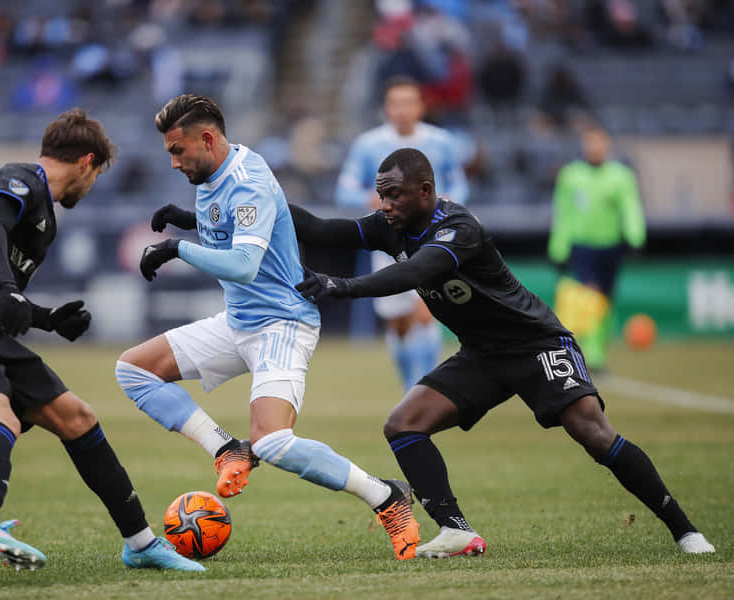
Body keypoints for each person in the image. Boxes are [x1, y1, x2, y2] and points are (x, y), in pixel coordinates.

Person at [290, 147, 715, 557]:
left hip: (535, 342)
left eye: (393, 194)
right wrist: (261, 195)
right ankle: (455, 530)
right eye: (381, 194)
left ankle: (685, 530)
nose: (384, 204)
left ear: (425, 190)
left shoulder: (458, 227)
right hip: (483, 355)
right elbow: (322, 229)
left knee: (593, 433)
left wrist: (340, 286)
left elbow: (416, 271)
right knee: (403, 424)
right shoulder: (391, 224)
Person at [116, 94, 420, 560]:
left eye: (178, 151)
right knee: (132, 370)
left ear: (207, 138)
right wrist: (191, 221)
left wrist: (177, 248)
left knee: (274, 443)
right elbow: (230, 224)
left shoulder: (249, 179)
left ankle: (387, 498)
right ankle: (225, 449)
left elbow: (242, 264)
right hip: (238, 323)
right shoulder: (211, 172)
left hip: (283, 323)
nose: (174, 162)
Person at [0, 109, 204, 573]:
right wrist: (8, 291)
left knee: (77, 417)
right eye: (97, 174)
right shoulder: (21, 180)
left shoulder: (46, 219)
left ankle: (141, 544)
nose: (92, 184)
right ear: (87, 162)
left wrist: (47, 319)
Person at [335, 76, 469, 390]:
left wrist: (450, 199)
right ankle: (409, 385)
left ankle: (426, 388)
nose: (402, 110)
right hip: (389, 242)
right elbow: (345, 189)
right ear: (387, 107)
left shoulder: (440, 141)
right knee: (398, 323)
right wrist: (369, 198)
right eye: (396, 103)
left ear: (420, 106)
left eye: (409, 102)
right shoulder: (368, 145)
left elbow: (460, 182)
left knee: (425, 312)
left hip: (431, 238)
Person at [548, 126, 646, 371]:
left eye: (599, 143)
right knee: (590, 298)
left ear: (607, 145)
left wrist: (635, 237)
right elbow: (563, 213)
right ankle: (590, 356)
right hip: (583, 246)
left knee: (606, 301)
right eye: (590, 143)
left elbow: (630, 207)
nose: (594, 148)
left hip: (611, 246)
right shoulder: (571, 175)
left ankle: (599, 350)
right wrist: (558, 247)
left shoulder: (621, 176)